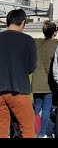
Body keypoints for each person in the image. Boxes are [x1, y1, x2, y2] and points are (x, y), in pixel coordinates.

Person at [0, 9, 37, 138]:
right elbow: (31, 67)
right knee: (27, 129)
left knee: (1, 130)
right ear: (22, 22)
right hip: (19, 89)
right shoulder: (28, 40)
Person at [31, 21, 58, 138]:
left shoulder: (37, 44)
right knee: (46, 108)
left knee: (36, 108)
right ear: (54, 32)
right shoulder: (56, 45)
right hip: (48, 81)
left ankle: (34, 130)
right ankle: (42, 133)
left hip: (37, 80)